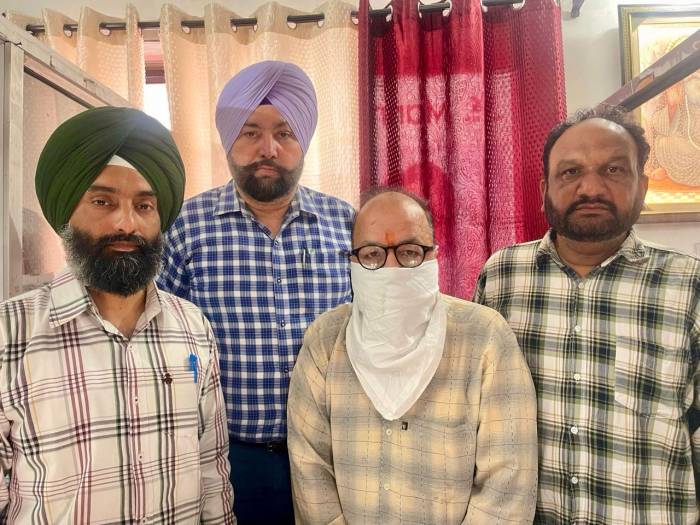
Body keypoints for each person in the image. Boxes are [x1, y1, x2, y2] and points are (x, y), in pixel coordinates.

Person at [0, 107, 235, 524]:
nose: (126, 223)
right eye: (102, 201)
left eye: (144, 205)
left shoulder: (193, 328)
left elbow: (211, 470)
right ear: (66, 212)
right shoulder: (10, 334)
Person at [474, 105, 700, 524]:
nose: (591, 188)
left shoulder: (688, 286)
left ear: (642, 185)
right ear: (545, 188)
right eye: (571, 172)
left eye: (613, 170)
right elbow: (476, 415)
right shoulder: (502, 276)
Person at [157, 60, 354, 524]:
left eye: (284, 132)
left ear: (303, 141)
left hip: (333, 455)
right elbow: (163, 347)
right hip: (227, 459)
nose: (268, 148)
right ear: (229, 139)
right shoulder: (184, 228)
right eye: (251, 132)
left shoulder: (346, 225)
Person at [288, 189, 538, 524]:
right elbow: (309, 466)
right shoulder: (324, 340)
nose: (391, 268)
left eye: (409, 252)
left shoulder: (485, 337)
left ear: (434, 255)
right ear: (353, 261)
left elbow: (508, 479)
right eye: (372, 254)